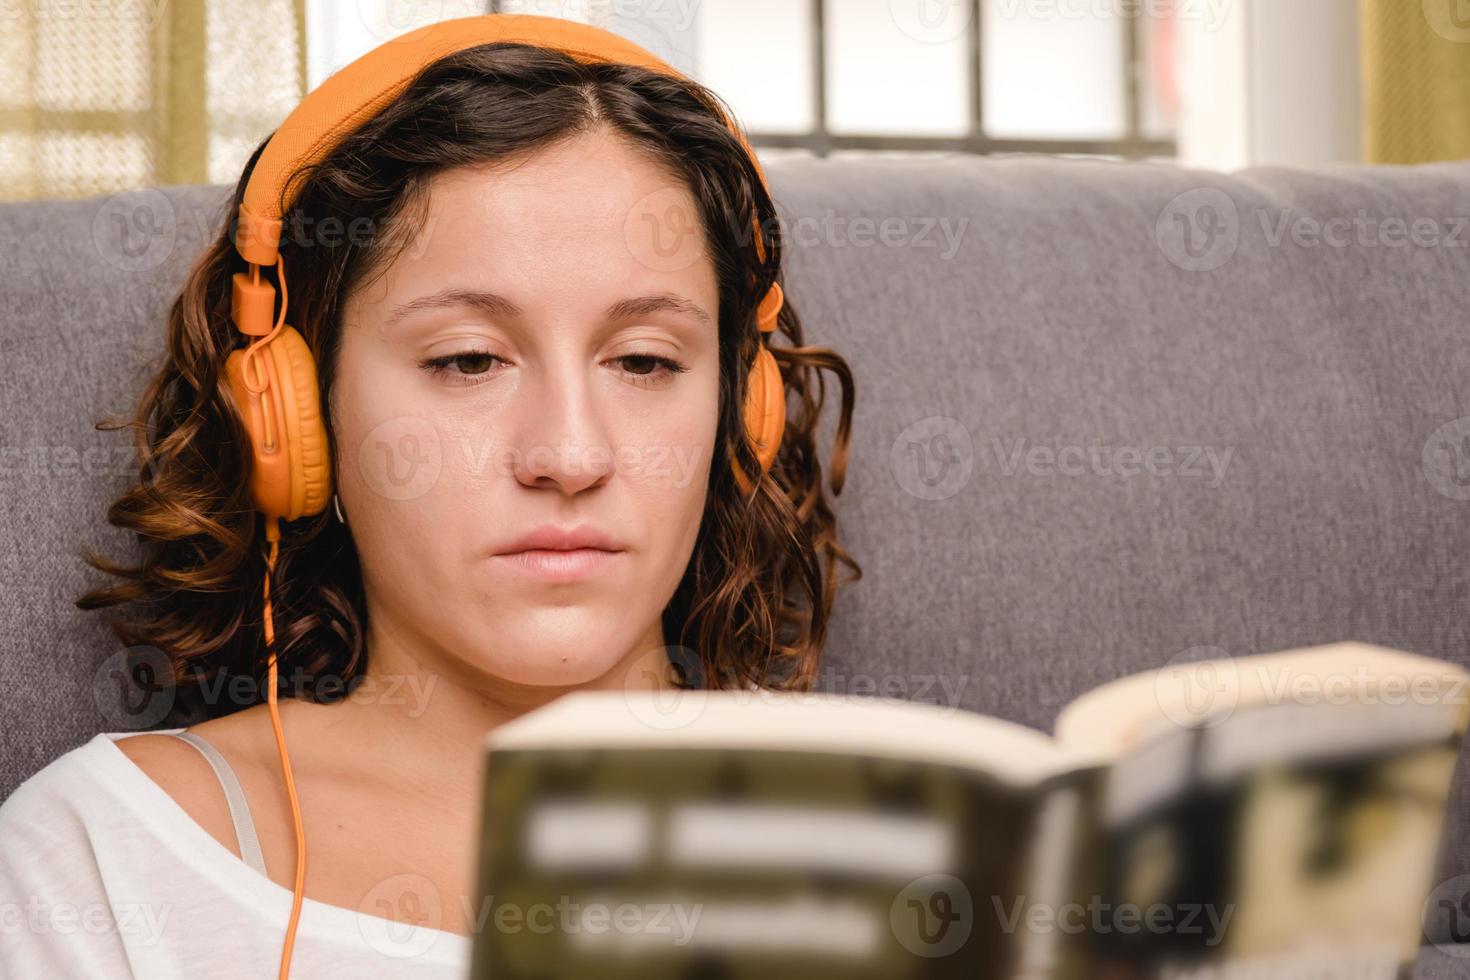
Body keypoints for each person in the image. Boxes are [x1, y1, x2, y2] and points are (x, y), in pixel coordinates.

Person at [0, 23, 859, 977]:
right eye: (467, 360)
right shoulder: (101, 862)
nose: (569, 455)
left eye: (646, 361)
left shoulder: (910, 833)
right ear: (295, 415)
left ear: (744, 413)